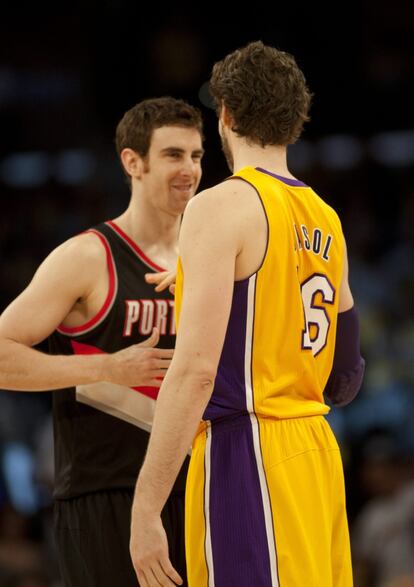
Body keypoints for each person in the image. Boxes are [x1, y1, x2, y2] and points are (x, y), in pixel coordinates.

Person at [130, 41, 365, 587]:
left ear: (226, 115)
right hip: (315, 455)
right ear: (294, 120)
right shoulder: (325, 217)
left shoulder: (218, 206)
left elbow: (195, 373)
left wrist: (145, 509)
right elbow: (347, 377)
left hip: (248, 453)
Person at [0, 96, 204, 586]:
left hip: (200, 487)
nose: (189, 170)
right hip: (105, 492)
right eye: (173, 155)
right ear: (132, 162)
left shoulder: (209, 256)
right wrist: (107, 367)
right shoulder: (87, 257)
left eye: (197, 156)